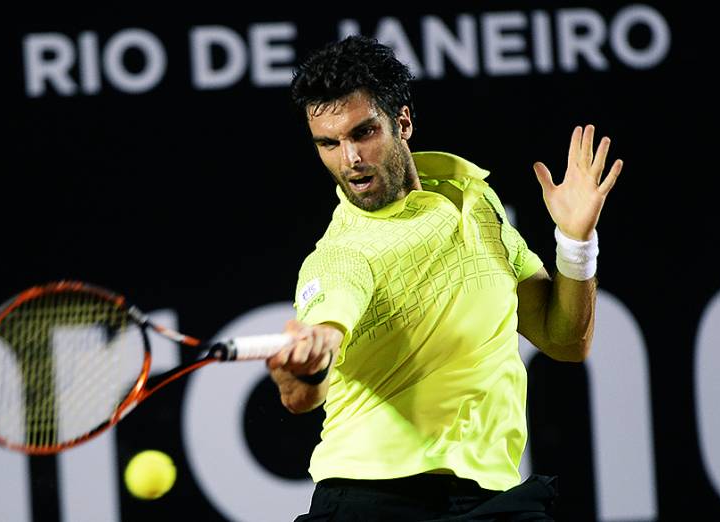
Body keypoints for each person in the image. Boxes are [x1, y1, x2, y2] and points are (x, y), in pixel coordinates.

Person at [266, 35, 622, 521]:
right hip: (374, 502)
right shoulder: (340, 257)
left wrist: (576, 243)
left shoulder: (474, 200)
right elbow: (306, 386)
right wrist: (303, 367)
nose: (349, 160)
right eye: (329, 143)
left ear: (403, 122)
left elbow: (564, 340)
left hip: (490, 496)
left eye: (363, 133)